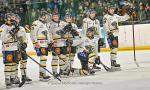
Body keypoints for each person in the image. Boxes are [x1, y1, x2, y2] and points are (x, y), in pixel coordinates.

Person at [0, 13, 24, 88]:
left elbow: (19, 37)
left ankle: (13, 78)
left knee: (14, 64)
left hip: (15, 47)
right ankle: (7, 79)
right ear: (7, 19)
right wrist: (12, 32)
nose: (12, 19)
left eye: (13, 18)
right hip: (7, 48)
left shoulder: (15, 26)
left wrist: (22, 43)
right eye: (10, 18)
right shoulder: (3, 27)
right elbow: (3, 39)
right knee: (8, 64)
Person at [103, 5, 129, 71]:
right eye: (111, 9)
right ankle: (113, 63)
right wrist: (110, 35)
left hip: (116, 34)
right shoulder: (106, 17)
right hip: (111, 35)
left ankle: (113, 62)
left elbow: (123, 18)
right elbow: (105, 26)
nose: (112, 10)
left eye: (113, 9)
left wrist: (127, 13)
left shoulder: (115, 16)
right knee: (114, 48)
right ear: (108, 10)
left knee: (115, 49)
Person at [30, 11, 53, 81]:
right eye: (46, 16)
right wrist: (35, 43)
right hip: (40, 44)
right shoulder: (36, 23)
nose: (48, 17)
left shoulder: (45, 24)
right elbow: (32, 34)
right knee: (43, 58)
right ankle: (42, 74)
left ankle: (42, 73)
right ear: (43, 16)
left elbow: (47, 34)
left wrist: (49, 43)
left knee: (44, 59)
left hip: (45, 44)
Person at [47, 12, 69, 77]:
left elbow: (67, 31)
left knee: (63, 57)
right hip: (55, 44)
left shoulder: (63, 23)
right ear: (52, 17)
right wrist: (50, 42)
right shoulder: (50, 24)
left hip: (63, 43)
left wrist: (67, 39)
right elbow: (49, 33)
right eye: (54, 16)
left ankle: (62, 70)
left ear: (59, 16)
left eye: (57, 16)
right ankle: (54, 71)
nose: (56, 17)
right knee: (55, 58)